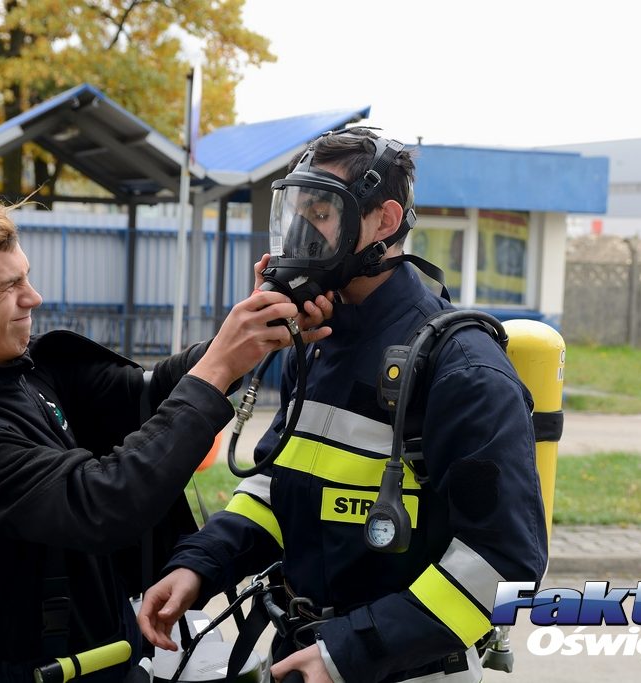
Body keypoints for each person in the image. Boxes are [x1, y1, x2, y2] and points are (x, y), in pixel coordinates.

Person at [0, 193, 332, 682]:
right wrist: (222, 363)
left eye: (27, 275)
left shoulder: (28, 372)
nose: (33, 296)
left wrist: (249, 325)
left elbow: (153, 393)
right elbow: (104, 501)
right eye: (9, 286)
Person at [138, 129, 548, 683]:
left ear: (383, 221)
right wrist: (200, 565)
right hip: (299, 655)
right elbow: (278, 484)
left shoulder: (463, 368)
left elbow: (502, 565)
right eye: (297, 210)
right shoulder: (318, 341)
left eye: (323, 211)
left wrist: (348, 652)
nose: (302, 232)